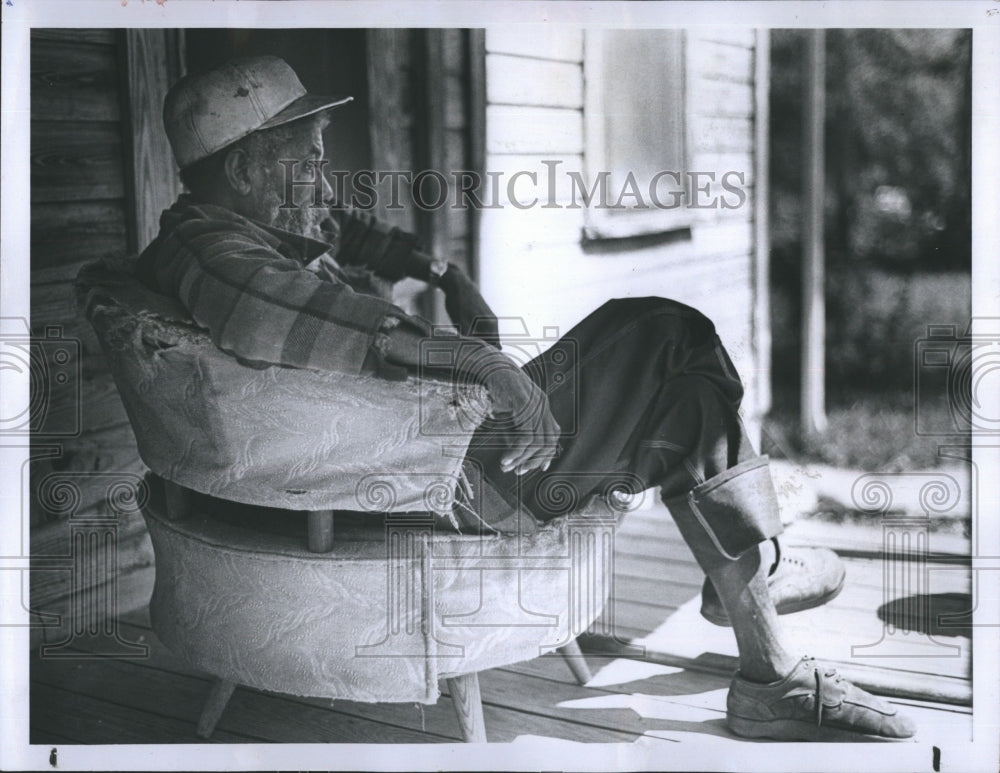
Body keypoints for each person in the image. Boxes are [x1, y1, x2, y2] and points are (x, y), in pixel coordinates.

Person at [136, 55, 915, 741]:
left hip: (429, 453)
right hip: (433, 483)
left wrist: (442, 274)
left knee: (682, 393)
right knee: (666, 333)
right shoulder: (214, 253)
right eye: (307, 157)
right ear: (247, 170)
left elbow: (348, 231)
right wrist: (480, 359)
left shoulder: (252, 224)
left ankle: (766, 661)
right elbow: (301, 315)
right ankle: (754, 597)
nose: (323, 173)